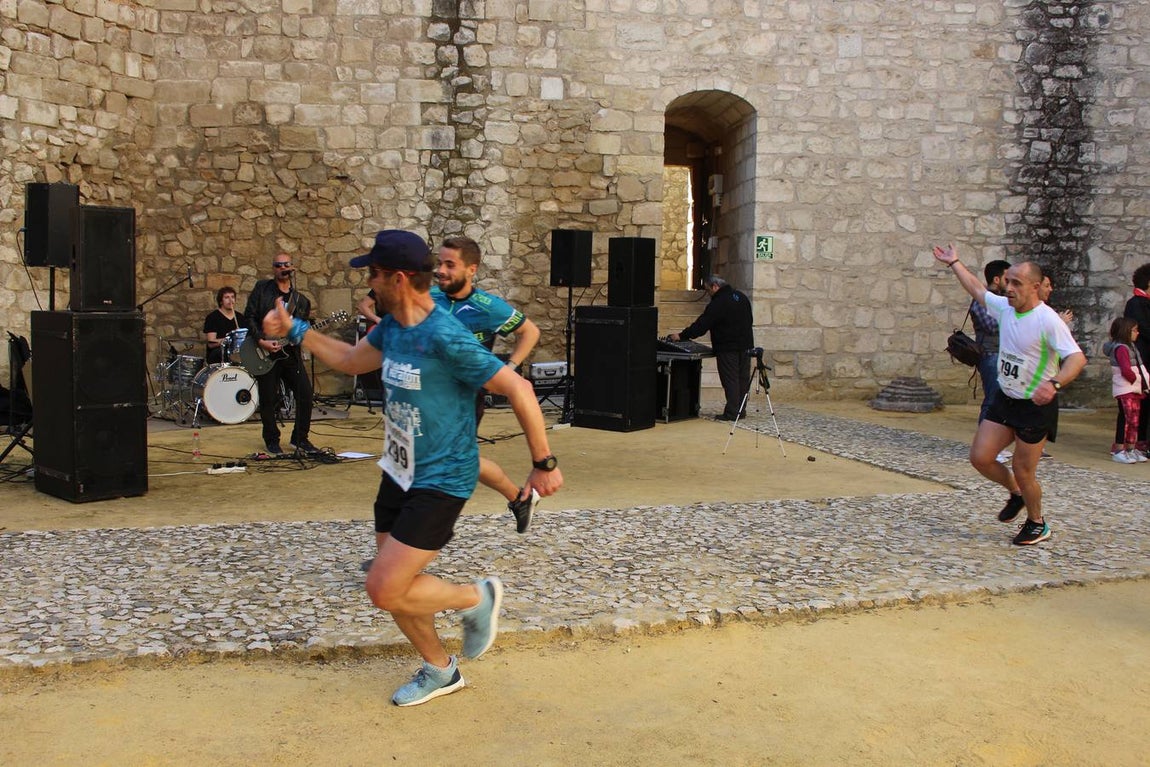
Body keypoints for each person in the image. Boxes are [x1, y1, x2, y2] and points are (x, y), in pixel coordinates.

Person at [262, 229, 563, 707]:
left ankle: (476, 598)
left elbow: (520, 390)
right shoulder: (393, 324)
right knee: (395, 583)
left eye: (374, 274)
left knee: (383, 587)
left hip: (442, 478)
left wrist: (543, 464)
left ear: (398, 278)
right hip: (399, 468)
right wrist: (297, 331)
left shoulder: (444, 334)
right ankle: (440, 670)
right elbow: (351, 359)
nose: (369, 281)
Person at [931, 244, 1086, 546]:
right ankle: (1016, 493)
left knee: (1024, 469)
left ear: (1037, 287)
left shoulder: (1048, 320)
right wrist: (955, 263)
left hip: (1034, 406)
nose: (1009, 287)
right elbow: (977, 289)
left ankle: (1037, 522)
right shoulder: (1005, 307)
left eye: (1017, 283)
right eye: (1008, 281)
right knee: (981, 457)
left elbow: (1077, 359)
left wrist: (1054, 384)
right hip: (1006, 396)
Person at [432, 236, 543, 533]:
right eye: (439, 263)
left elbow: (530, 332)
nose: (440, 270)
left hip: (465, 398)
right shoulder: (429, 298)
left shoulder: (487, 306)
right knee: (456, 461)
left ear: (471, 269)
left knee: (445, 463)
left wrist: (509, 369)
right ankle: (519, 498)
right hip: (429, 395)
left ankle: (418, 537)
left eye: (449, 265)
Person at [243, 255, 318, 456]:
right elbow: (249, 316)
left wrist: (299, 337)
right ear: (274, 269)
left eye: (286, 265)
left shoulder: (301, 301)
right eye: (278, 265)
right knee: (269, 398)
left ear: (292, 268)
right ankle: (271, 439)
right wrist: (261, 340)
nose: (283, 268)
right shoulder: (262, 289)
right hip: (265, 352)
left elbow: (300, 330)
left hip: (289, 354)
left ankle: (300, 438)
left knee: (305, 393)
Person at [669, 274, 755, 420]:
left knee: (730, 379)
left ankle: (732, 412)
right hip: (745, 345)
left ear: (715, 286)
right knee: (742, 379)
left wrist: (682, 335)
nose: (708, 294)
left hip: (728, 347)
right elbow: (750, 319)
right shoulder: (741, 297)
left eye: (708, 290)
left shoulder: (719, 302)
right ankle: (741, 410)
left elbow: (703, 324)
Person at [1103, 317, 1149, 463]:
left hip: (1133, 387)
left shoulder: (1131, 347)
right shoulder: (1122, 348)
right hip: (1126, 388)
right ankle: (1119, 448)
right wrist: (1137, 381)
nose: (1137, 333)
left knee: (1133, 419)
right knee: (1127, 419)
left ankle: (1130, 447)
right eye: (1134, 330)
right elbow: (1126, 370)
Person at [970, 260, 1011, 422]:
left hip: (1002, 355)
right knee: (992, 400)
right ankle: (984, 443)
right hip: (990, 355)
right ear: (996, 279)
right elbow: (991, 326)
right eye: (1007, 279)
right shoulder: (984, 300)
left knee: (1001, 400)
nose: (1010, 284)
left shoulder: (1003, 300)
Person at [1118, 263, 1150, 455]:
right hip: (1142, 360)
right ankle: (1134, 443)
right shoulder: (1136, 303)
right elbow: (1145, 330)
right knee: (1137, 406)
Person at [202, 286, 247, 366]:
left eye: (232, 297)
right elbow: (211, 343)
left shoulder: (240, 318)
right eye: (227, 297)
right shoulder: (213, 317)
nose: (230, 300)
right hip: (219, 355)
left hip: (238, 354)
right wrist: (231, 339)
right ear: (221, 301)